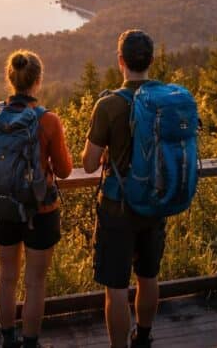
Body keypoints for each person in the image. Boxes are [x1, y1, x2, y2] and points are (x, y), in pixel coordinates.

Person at [0, 50, 73, 348]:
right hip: (40, 210)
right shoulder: (48, 121)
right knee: (35, 282)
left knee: (7, 276)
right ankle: (30, 342)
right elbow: (66, 170)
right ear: (38, 81)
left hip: (3, 206)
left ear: (10, 79)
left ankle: (7, 339)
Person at [82, 30, 164, 348]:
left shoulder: (109, 105)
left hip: (118, 205)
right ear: (151, 62)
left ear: (121, 62)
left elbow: (88, 164)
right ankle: (143, 338)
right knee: (148, 275)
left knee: (116, 286)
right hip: (156, 201)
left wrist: (105, 152)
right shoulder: (164, 101)